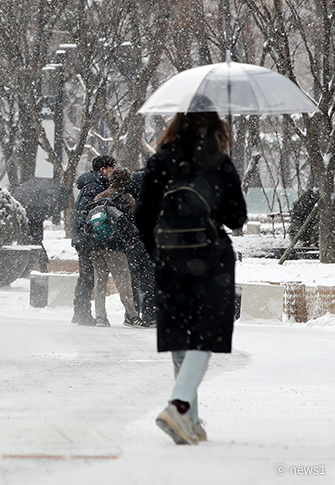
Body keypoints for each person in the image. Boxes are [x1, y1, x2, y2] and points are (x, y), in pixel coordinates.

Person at [135, 101, 247, 445]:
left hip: (170, 259)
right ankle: (180, 407)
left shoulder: (160, 161)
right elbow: (237, 217)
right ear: (214, 125)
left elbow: (142, 215)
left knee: (180, 337)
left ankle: (190, 423)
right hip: (210, 260)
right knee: (204, 335)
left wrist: (160, 253)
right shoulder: (218, 163)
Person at [87, 167, 142, 327]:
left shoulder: (99, 197)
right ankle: (132, 315)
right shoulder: (126, 198)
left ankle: (101, 317)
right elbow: (130, 223)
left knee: (100, 282)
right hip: (115, 246)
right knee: (124, 282)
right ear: (126, 182)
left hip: (96, 245)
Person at [71, 154, 115, 326]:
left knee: (86, 276)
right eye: (112, 169)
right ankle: (82, 313)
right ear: (103, 170)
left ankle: (79, 312)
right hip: (86, 240)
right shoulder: (93, 187)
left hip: (84, 239)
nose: (113, 172)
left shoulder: (93, 185)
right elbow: (85, 214)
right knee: (87, 277)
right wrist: (90, 232)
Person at [13, 177, 71, 272]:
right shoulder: (40, 205)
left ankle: (28, 267)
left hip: (29, 225)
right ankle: (41, 265)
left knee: (28, 244)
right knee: (36, 244)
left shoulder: (28, 203)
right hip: (36, 225)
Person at [126, 167, 158, 327]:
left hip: (132, 241)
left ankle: (132, 315)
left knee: (132, 278)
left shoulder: (128, 196)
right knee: (150, 279)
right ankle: (149, 315)